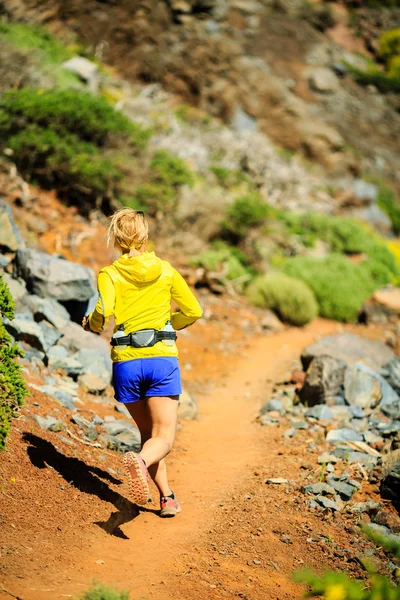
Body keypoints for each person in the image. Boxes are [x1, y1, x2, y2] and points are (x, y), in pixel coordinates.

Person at [82, 208, 202, 517]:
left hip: (127, 364)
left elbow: (103, 310)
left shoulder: (110, 273)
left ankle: (167, 497)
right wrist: (167, 324)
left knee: (149, 435)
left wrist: (92, 323)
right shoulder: (165, 270)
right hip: (161, 360)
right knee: (162, 438)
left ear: (116, 240)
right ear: (145, 237)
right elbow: (193, 311)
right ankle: (141, 461)